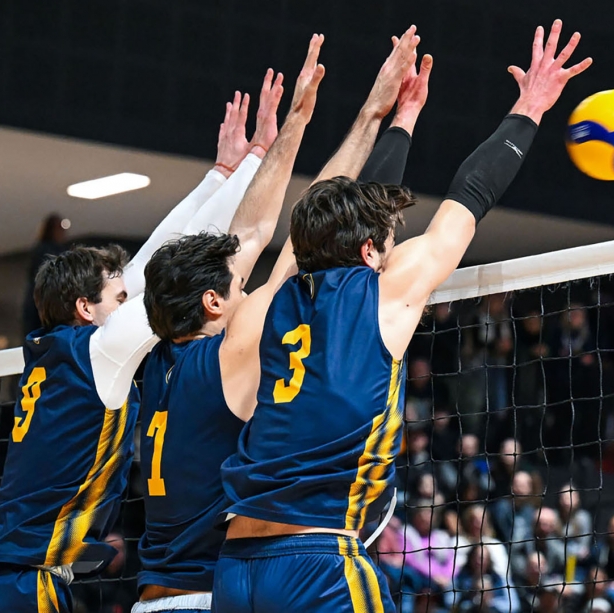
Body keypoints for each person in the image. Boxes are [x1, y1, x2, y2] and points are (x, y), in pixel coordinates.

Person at [214, 20, 591, 613]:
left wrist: (402, 119)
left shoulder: (266, 303)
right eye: (385, 239)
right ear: (370, 252)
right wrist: (531, 107)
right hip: (317, 562)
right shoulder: (385, 296)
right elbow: (469, 196)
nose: (393, 242)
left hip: (234, 566)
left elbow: (357, 213)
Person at [0, 74, 276, 613]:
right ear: (87, 308)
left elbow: (151, 258)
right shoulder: (95, 354)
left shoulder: (56, 354)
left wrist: (219, 176)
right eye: (120, 296)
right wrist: (252, 162)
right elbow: (166, 264)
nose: (131, 301)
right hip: (19, 589)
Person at [135, 30, 427, 613]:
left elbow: (245, 237)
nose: (248, 287)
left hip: (153, 598)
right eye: (238, 286)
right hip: (208, 596)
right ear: (215, 305)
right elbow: (300, 242)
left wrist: (287, 129)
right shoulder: (227, 354)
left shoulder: (151, 365)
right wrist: (372, 112)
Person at [22, 214, 70, 337]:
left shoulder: (42, 249)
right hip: (44, 304)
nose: (63, 232)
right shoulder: (48, 251)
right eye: (60, 228)